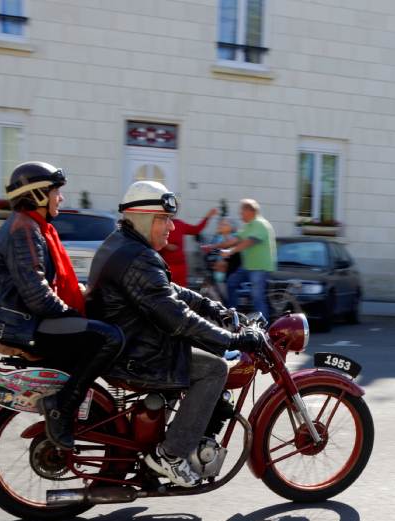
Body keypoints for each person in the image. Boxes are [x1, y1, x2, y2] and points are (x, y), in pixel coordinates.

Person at [85, 181, 263, 487]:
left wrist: (214, 309)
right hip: (135, 354)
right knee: (214, 368)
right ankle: (171, 455)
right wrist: (230, 340)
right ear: (144, 219)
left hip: (129, 342)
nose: (171, 227)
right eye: (164, 220)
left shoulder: (127, 245)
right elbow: (174, 317)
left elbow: (170, 291)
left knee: (204, 357)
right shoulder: (137, 257)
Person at [0, 162, 124, 450]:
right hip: (26, 325)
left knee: (95, 341)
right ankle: (61, 408)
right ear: (38, 194)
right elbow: (37, 294)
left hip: (30, 320)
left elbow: (47, 285)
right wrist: (73, 314)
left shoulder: (34, 226)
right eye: (56, 191)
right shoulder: (24, 229)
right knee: (110, 337)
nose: (61, 198)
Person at [222, 199, 276, 318]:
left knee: (257, 298)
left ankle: (262, 330)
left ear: (249, 211)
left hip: (259, 268)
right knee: (231, 282)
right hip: (248, 266)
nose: (240, 214)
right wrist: (214, 246)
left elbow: (248, 242)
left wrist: (231, 251)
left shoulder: (260, 224)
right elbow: (236, 239)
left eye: (241, 211)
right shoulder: (248, 225)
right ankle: (234, 317)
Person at [158, 207, 218, 287]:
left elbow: (196, 230)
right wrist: (166, 245)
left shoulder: (180, 224)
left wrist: (207, 217)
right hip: (167, 267)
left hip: (181, 266)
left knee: (182, 293)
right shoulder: (159, 226)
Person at [203, 217, 242, 287]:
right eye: (220, 224)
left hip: (231, 269)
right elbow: (209, 254)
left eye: (223, 224)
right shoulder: (216, 239)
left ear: (230, 228)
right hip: (217, 270)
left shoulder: (234, 239)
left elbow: (235, 257)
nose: (220, 226)